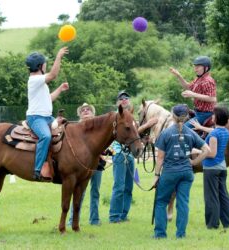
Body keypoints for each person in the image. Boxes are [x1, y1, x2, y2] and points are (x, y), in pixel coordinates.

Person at [152, 104, 210, 239]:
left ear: (173, 115)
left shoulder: (165, 133)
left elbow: (160, 158)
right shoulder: (191, 133)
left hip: (170, 173)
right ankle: (181, 234)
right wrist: (194, 162)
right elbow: (207, 150)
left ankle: (160, 234)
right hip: (187, 173)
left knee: (161, 202)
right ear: (186, 117)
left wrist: (156, 176)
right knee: (183, 203)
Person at [109, 90, 158, 223]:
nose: (124, 99)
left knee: (128, 187)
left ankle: (123, 215)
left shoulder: (130, 117)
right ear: (117, 102)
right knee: (119, 186)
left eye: (126, 98)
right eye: (121, 98)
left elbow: (133, 136)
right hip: (119, 154)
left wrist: (143, 140)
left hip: (129, 155)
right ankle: (114, 216)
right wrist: (148, 125)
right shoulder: (116, 117)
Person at [25, 47, 69, 181]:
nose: (46, 65)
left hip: (47, 118)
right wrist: (59, 56)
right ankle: (37, 170)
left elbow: (48, 98)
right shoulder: (34, 79)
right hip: (36, 118)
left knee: (67, 129)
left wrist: (60, 89)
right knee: (45, 136)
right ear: (40, 66)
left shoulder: (39, 81)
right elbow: (53, 75)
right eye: (45, 63)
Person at [190, 106, 229, 229]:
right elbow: (214, 131)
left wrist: (197, 151)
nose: (212, 117)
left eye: (214, 115)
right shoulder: (225, 131)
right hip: (222, 168)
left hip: (211, 169)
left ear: (217, 118)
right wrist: (200, 127)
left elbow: (212, 153)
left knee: (211, 197)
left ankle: (212, 224)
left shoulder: (215, 134)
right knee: (223, 195)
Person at [67, 103, 104, 226]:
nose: (86, 111)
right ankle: (72, 220)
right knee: (78, 192)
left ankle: (94, 219)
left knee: (95, 192)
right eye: (83, 110)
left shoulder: (99, 128)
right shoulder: (77, 128)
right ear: (80, 114)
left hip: (98, 163)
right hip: (81, 165)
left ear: (93, 113)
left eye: (88, 109)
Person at [170, 56, 217, 128]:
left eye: (198, 66)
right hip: (198, 112)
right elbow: (188, 87)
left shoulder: (208, 81)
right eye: (195, 66)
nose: (195, 69)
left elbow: (212, 98)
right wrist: (178, 75)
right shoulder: (199, 79)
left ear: (206, 68)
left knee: (183, 129)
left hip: (205, 114)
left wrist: (193, 94)